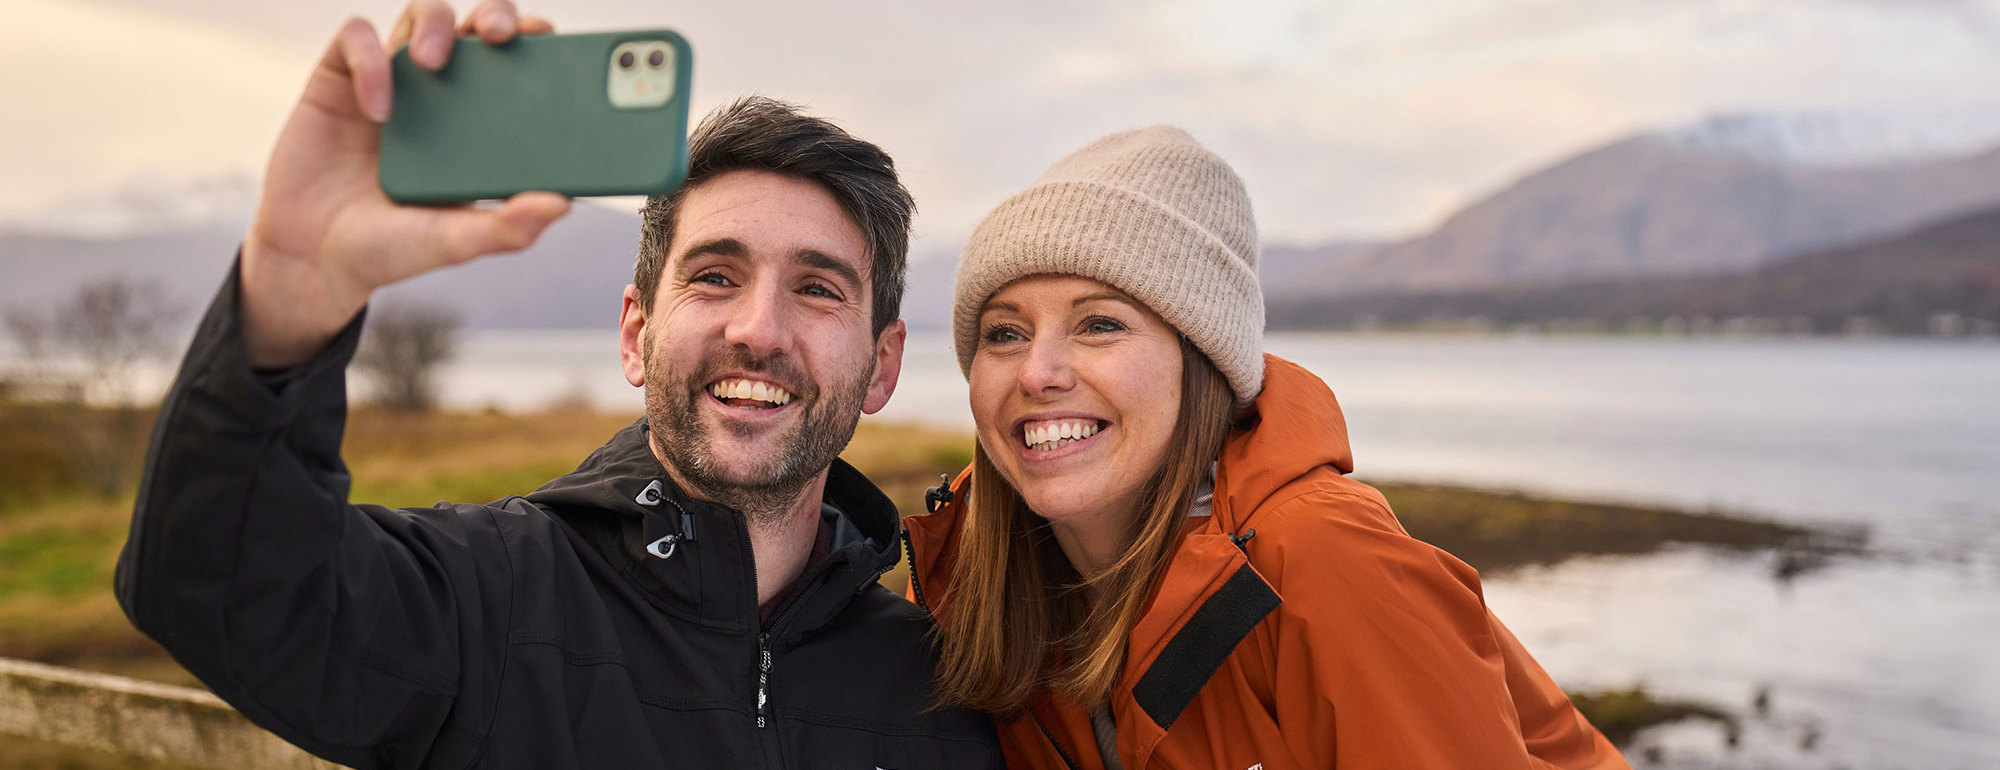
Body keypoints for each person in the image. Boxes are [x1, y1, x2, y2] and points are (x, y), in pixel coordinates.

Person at [113, 2, 1001, 767]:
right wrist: (288, 290)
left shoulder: (945, 696)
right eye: (715, 276)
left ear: (882, 365)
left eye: (816, 288)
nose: (757, 329)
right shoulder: (486, 604)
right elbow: (211, 582)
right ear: (635, 333)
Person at [901, 126, 1631, 769]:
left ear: (1202, 363)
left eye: (1100, 326)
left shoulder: (1326, 564)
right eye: (1004, 332)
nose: (1037, 372)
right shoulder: (969, 578)